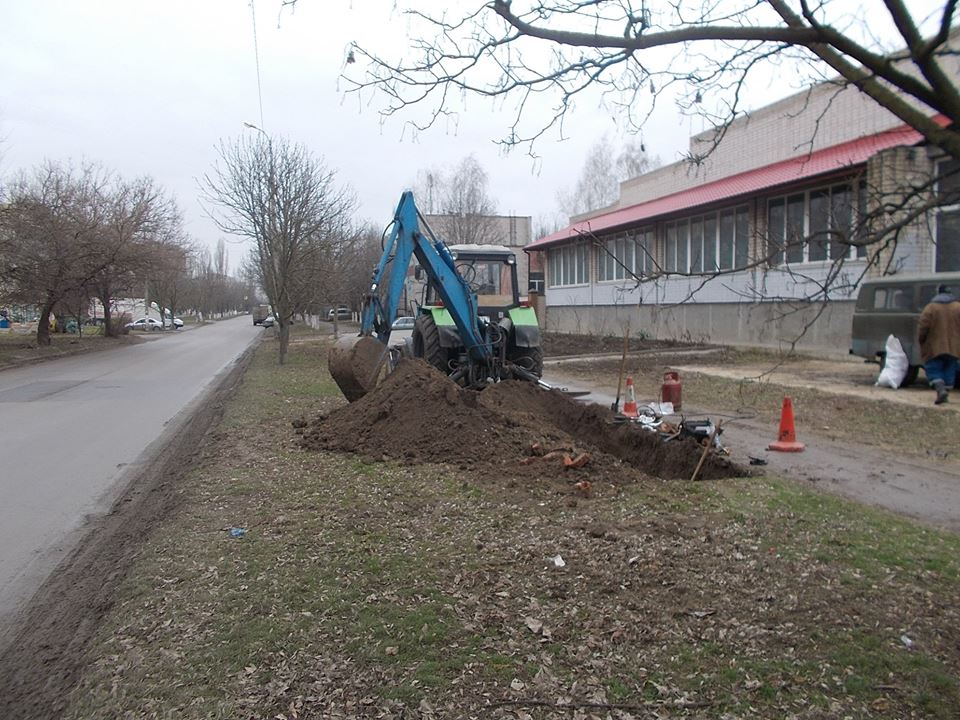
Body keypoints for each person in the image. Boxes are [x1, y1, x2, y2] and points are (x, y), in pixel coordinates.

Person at [917, 284, 960, 404]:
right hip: (954, 348)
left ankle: (941, 390)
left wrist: (921, 340)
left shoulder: (930, 308)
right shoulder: (958, 307)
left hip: (934, 347)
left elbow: (923, 327)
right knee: (950, 368)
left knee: (934, 369)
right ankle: (945, 392)